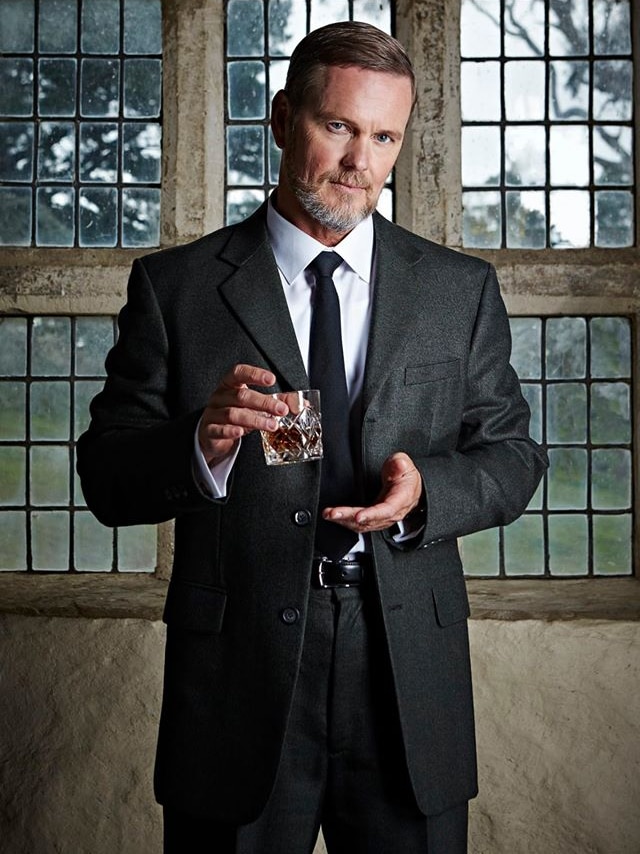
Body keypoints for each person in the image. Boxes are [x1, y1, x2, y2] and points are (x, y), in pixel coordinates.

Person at [77, 21, 548, 854]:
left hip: (407, 668)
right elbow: (108, 477)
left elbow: (513, 455)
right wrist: (201, 442)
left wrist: (429, 489)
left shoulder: (458, 291)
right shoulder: (175, 288)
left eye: (384, 135)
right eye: (338, 126)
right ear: (285, 117)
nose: (359, 160)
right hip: (239, 679)